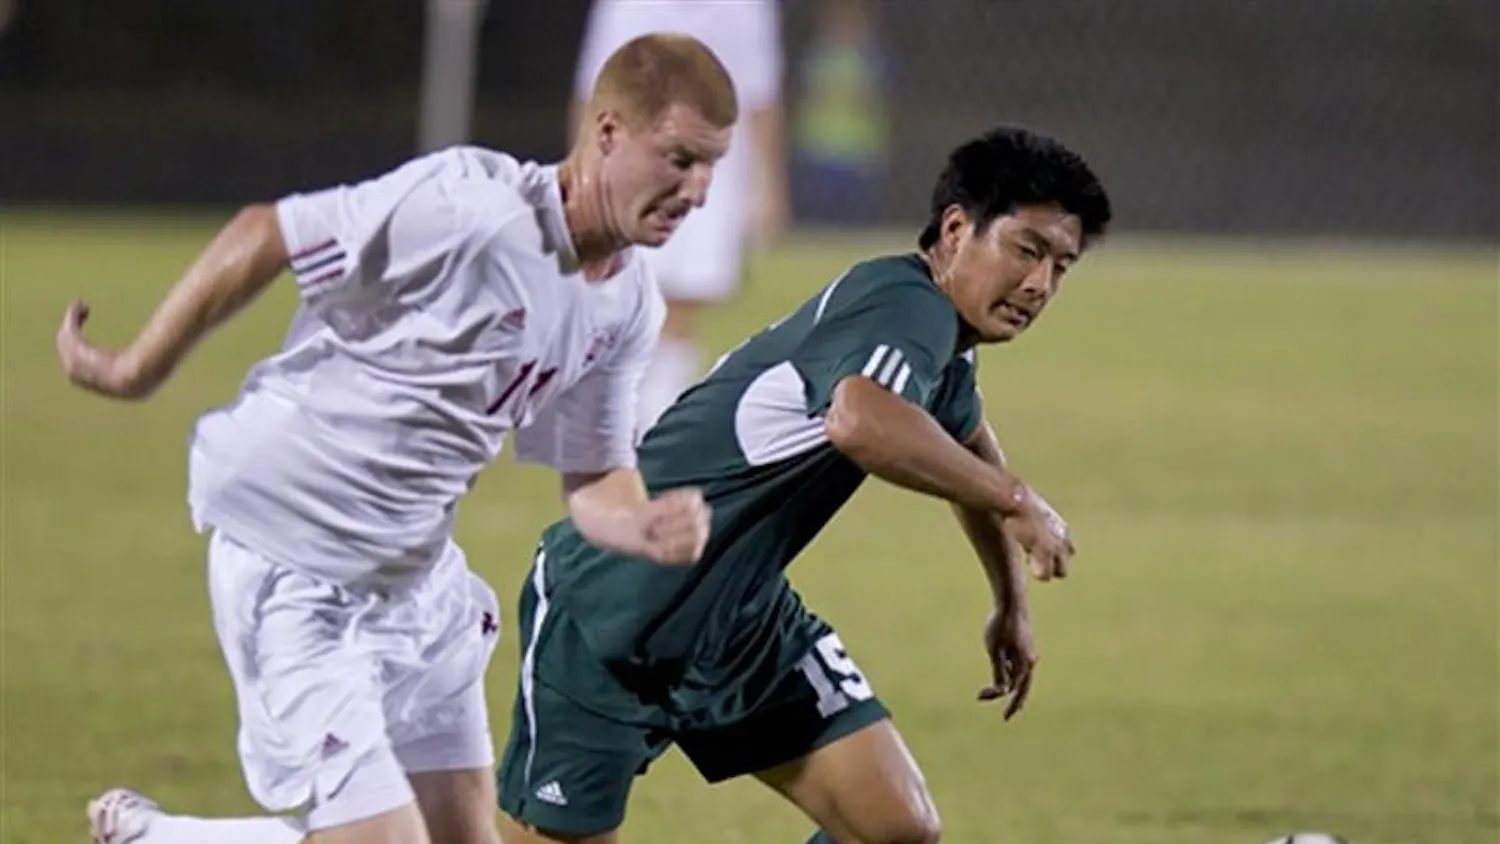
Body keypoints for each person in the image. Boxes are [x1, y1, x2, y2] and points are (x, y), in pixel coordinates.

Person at [65, 32, 735, 844]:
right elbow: (269, 230)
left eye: (710, 168)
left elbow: (592, 471)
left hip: (412, 582)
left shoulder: (628, 306)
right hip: (294, 558)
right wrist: (137, 367)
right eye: (678, 159)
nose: (697, 191)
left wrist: (641, 524)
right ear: (606, 133)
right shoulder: (469, 210)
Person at [494, 124, 1113, 843]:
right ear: (954, 231)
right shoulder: (904, 306)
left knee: (895, 829)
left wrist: (1010, 601)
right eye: (1026, 250)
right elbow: (860, 419)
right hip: (612, 610)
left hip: (742, 627)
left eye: (1060, 267)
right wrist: (1018, 503)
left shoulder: (942, 346)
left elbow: (970, 442)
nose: (1039, 285)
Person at [572, 0, 790, 433]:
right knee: (627, 285)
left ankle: (658, 411)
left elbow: (760, 96)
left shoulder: (747, 9)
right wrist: (584, 165)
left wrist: (768, 184)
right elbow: (593, 89)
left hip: (714, 166)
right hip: (635, 161)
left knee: (684, 295)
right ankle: (619, 405)